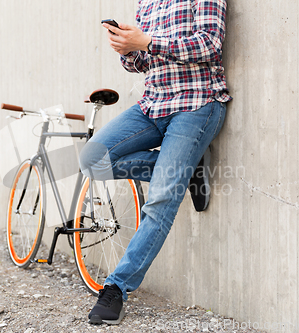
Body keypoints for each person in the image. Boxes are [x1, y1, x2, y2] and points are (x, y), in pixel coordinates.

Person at [79, 0, 232, 325]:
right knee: (92, 160)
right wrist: (128, 49)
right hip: (153, 104)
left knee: (162, 199)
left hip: (197, 102)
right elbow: (143, 64)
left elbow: (209, 45)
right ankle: (185, 171)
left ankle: (116, 288)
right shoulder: (147, 3)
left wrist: (147, 41)